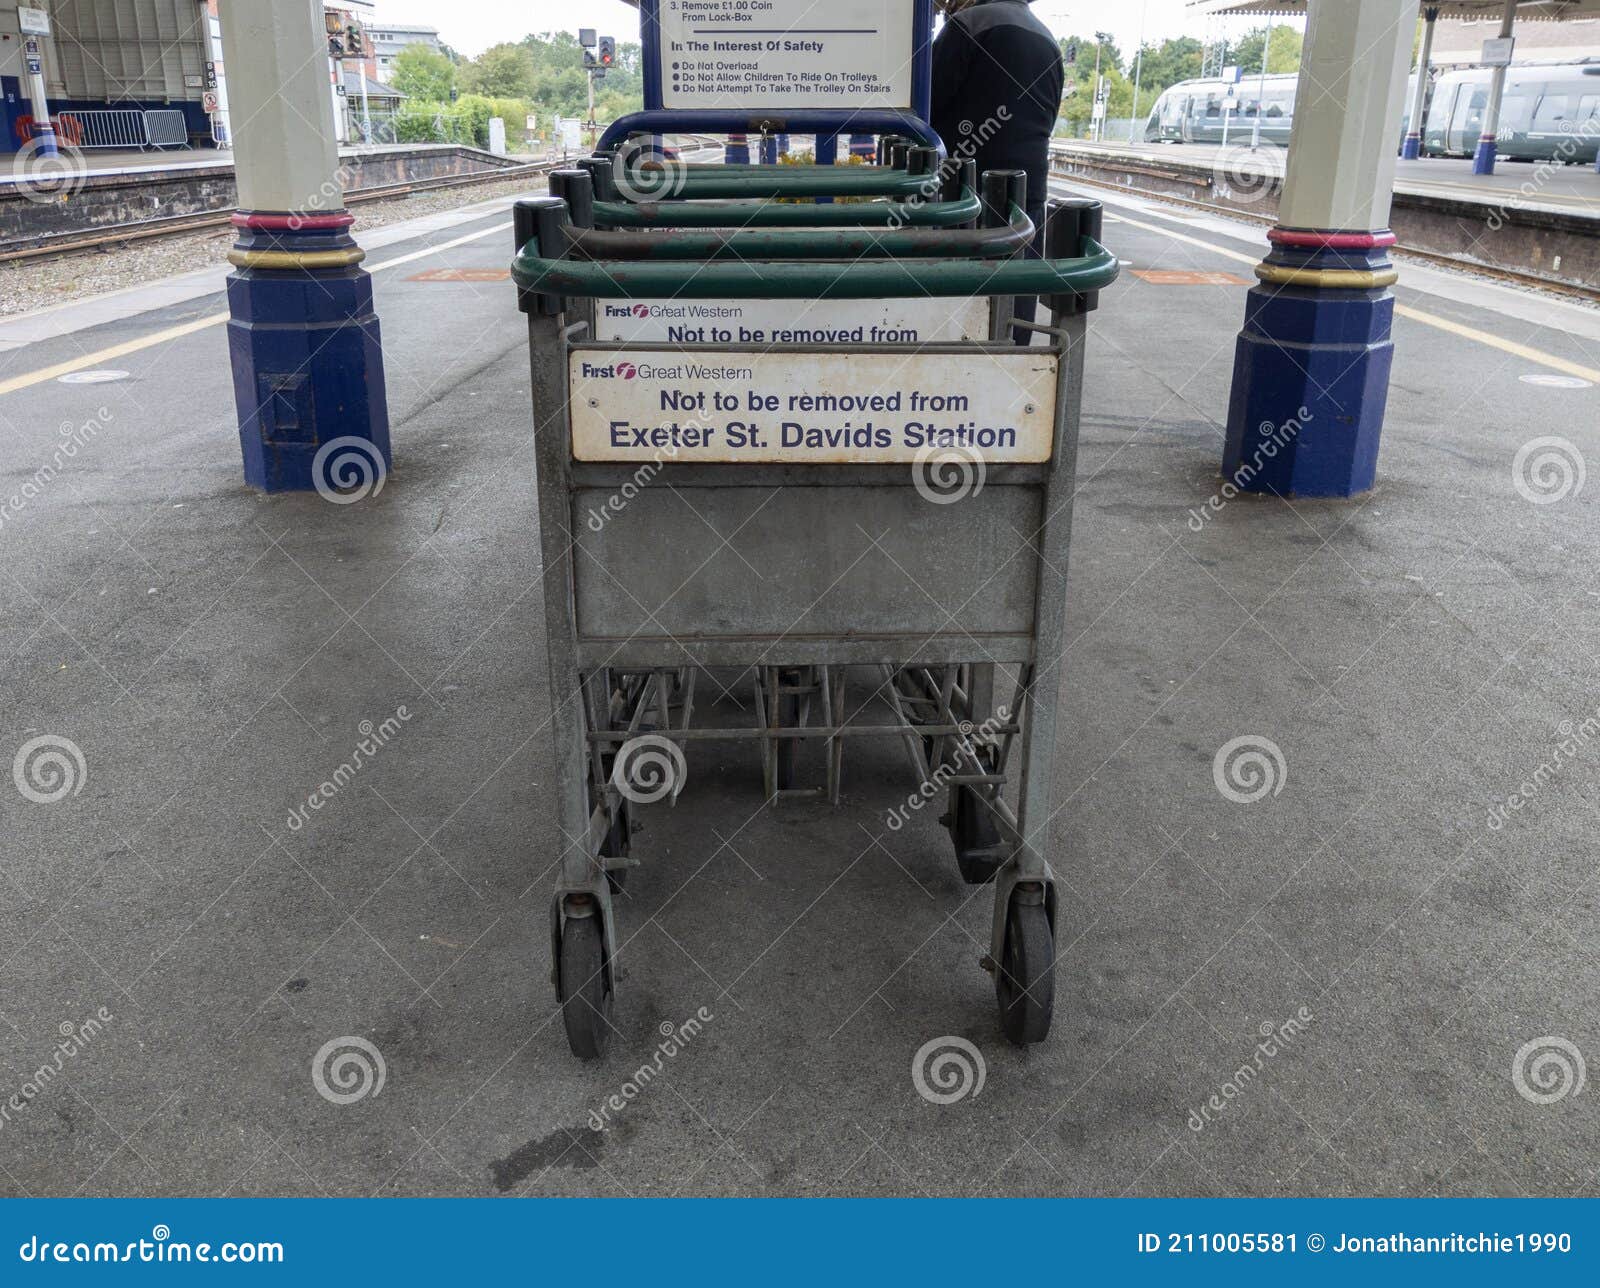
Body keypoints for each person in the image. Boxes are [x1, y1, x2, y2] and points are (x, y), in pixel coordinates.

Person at [929, 0, 1064, 343]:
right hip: (1028, 190)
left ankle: (957, 380)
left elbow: (925, 103)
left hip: (964, 191)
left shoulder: (969, 25)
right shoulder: (1047, 39)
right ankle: (1012, 364)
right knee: (1017, 287)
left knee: (960, 296)